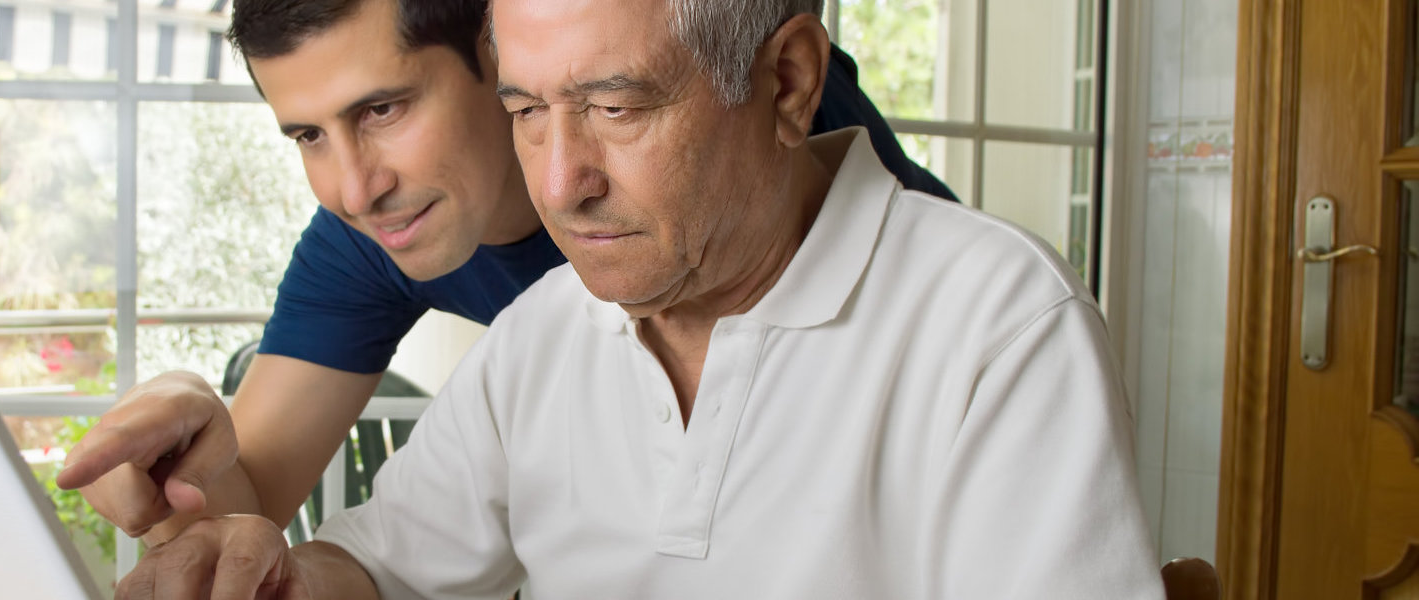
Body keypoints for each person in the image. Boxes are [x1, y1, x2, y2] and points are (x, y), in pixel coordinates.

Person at [108, 0, 1162, 597]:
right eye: (527, 110)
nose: (559, 182)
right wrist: (259, 563)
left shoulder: (993, 324)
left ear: (789, 85)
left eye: (614, 107)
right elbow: (378, 568)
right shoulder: (541, 334)